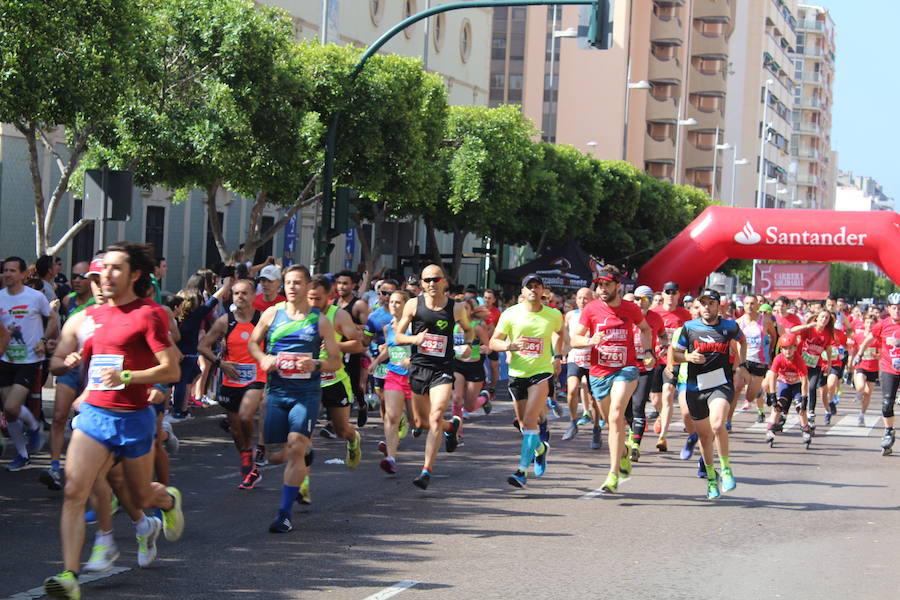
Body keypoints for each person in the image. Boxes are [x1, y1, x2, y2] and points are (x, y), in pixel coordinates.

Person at [43, 242, 184, 600]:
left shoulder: (148, 314)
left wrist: (129, 379)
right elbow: (60, 361)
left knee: (140, 495)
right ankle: (69, 577)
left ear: (135, 274)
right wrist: (67, 361)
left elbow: (171, 368)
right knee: (75, 490)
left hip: (134, 418)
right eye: (104, 268)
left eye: (116, 268)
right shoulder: (91, 316)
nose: (107, 274)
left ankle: (167, 501)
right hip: (94, 415)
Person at [248, 265, 340, 533]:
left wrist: (316, 363)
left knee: (296, 446)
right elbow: (253, 343)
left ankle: (284, 514)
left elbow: (335, 360)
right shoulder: (271, 314)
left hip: (306, 394)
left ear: (308, 286)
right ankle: (305, 452)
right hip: (277, 392)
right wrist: (263, 358)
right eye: (288, 282)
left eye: (297, 283)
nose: (291, 287)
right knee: (278, 456)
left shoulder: (319, 321)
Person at [571, 266, 654, 494]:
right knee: (611, 423)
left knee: (617, 414)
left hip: (626, 369)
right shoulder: (591, 309)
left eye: (607, 284)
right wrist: (590, 341)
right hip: (599, 373)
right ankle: (625, 453)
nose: (603, 288)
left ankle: (612, 474)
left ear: (618, 285)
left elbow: (645, 329)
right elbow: (575, 338)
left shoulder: (631, 309)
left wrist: (647, 352)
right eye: (599, 285)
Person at [394, 264, 473, 490]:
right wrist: (414, 340)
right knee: (420, 422)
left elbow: (468, 330)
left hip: (444, 368)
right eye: (427, 280)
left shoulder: (456, 308)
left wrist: (468, 345)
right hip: (419, 367)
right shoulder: (412, 304)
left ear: (444, 282)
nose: (431, 284)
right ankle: (452, 427)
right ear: (421, 283)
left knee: (436, 415)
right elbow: (399, 336)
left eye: (435, 280)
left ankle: (426, 470)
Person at [489, 275, 565, 488]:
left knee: (531, 421)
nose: (533, 290)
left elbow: (560, 333)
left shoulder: (553, 315)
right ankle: (540, 449)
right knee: (523, 424)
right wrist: (509, 347)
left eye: (537, 287)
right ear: (522, 292)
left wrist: (557, 356)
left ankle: (521, 471)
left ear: (542, 291)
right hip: (517, 374)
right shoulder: (510, 314)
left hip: (541, 373)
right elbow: (493, 341)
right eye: (529, 287)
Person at [673, 289, 747, 500]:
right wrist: (688, 356)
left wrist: (741, 366)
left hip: (720, 384)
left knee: (717, 425)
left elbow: (742, 341)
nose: (706, 307)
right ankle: (712, 479)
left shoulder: (730, 327)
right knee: (705, 437)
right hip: (696, 387)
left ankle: (725, 468)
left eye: (711, 303)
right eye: (703, 303)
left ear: (718, 306)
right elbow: (676, 354)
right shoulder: (689, 328)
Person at [198, 279, 266, 488]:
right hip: (231, 378)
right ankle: (247, 457)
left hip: (256, 377)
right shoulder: (224, 321)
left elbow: (276, 342)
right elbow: (203, 346)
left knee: (246, 416)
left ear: (254, 296)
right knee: (236, 428)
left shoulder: (262, 320)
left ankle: (250, 452)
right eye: (236, 293)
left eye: (244, 293)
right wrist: (221, 363)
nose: (240, 297)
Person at [41, 258, 101, 489]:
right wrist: (53, 344)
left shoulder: (102, 303)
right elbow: (62, 334)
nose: (77, 280)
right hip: (70, 368)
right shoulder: (67, 301)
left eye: (82, 277)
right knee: (58, 417)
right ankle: (54, 467)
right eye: (74, 276)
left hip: (95, 372)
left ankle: (89, 474)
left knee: (84, 424)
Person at [0, 256, 54, 471]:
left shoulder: (34, 297)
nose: (8, 274)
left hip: (30, 359)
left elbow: (52, 318)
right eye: (5, 270)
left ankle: (33, 426)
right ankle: (23, 456)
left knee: (12, 406)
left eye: (13, 270)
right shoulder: (0, 297)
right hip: (6, 358)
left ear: (23, 274)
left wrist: (43, 340)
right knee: (9, 411)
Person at [308, 275, 365, 471]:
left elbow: (358, 345)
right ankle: (301, 478)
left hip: (334, 380)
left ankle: (353, 438)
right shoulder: (300, 315)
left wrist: (336, 344)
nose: (313, 303)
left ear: (329, 295)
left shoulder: (338, 315)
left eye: (318, 299)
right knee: (303, 428)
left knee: (341, 430)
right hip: (309, 380)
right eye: (310, 298)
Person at [372, 290, 414, 474]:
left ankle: (448, 427)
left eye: (398, 302)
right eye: (392, 302)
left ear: (406, 304)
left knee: (418, 423)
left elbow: (424, 347)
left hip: (414, 378)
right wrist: (375, 361)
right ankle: (391, 458)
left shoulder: (415, 326)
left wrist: (412, 361)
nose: (394, 305)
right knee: (390, 417)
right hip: (394, 376)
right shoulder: (388, 327)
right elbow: (390, 349)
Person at [853, 293, 900, 455]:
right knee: (887, 402)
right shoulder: (882, 324)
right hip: (889, 368)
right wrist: (860, 353)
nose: (897, 312)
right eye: (894, 308)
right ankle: (888, 431)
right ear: (889, 309)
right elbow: (869, 339)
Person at [649, 281, 692, 452]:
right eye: (668, 292)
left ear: (679, 295)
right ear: (663, 294)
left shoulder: (685, 315)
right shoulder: (654, 313)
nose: (671, 295)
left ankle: (663, 437)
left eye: (674, 292)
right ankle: (661, 415)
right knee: (656, 399)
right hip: (655, 360)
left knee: (667, 395)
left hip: (673, 362)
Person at [624, 286, 665, 462]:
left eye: (646, 299)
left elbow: (663, 334)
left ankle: (635, 445)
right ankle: (632, 430)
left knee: (638, 405)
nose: (642, 302)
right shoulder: (627, 317)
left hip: (646, 367)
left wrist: (662, 347)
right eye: (638, 299)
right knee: (626, 408)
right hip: (626, 366)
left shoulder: (656, 318)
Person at [561, 287, 598, 445]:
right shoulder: (570, 315)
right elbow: (565, 336)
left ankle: (596, 429)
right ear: (575, 299)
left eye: (586, 298)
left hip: (593, 360)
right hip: (575, 358)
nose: (582, 301)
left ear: (592, 299)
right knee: (572, 390)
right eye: (579, 298)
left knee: (594, 398)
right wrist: (562, 353)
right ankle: (573, 422)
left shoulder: (597, 315)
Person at [333, 270, 369, 426]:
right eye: (339, 283)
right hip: (335, 349)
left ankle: (362, 405)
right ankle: (335, 418)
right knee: (336, 381)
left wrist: (351, 326)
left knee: (355, 384)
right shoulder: (334, 304)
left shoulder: (358, 304)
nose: (341, 286)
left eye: (345, 283)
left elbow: (369, 327)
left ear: (353, 285)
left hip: (353, 349)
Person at [735, 295, 778, 424]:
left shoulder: (766, 321)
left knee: (750, 395)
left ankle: (759, 391)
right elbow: (733, 341)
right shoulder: (738, 322)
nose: (749, 306)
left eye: (752, 303)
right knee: (737, 387)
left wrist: (769, 351)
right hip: (744, 361)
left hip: (760, 361)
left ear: (757, 305)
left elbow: (774, 337)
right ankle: (728, 421)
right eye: (747, 303)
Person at [790, 310, 834, 434]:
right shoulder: (809, 329)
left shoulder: (827, 333)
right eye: (822, 317)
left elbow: (829, 348)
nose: (824, 319)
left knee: (813, 387)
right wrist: (807, 326)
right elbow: (792, 330)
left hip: (816, 364)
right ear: (817, 318)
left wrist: (829, 363)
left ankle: (811, 414)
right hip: (801, 362)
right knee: (798, 386)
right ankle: (795, 408)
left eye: (827, 318)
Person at [762, 333, 810, 447]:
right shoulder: (778, 359)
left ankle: (806, 430)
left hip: (797, 385)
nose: (787, 351)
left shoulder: (799, 360)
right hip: (784, 383)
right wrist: (773, 395)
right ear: (781, 348)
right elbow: (773, 377)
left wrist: (804, 398)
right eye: (784, 348)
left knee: (800, 407)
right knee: (778, 405)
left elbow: (804, 381)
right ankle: (771, 428)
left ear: (795, 347)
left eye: (790, 348)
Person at [850, 313, 879, 427]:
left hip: (873, 367)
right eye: (867, 322)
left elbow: (881, 354)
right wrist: (851, 361)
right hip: (861, 365)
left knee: (868, 393)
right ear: (864, 323)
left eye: (872, 323)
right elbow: (853, 350)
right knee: (861, 386)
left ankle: (862, 415)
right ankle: (858, 394)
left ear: (875, 324)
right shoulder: (859, 336)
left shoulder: (877, 338)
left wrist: (875, 355)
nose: (869, 325)